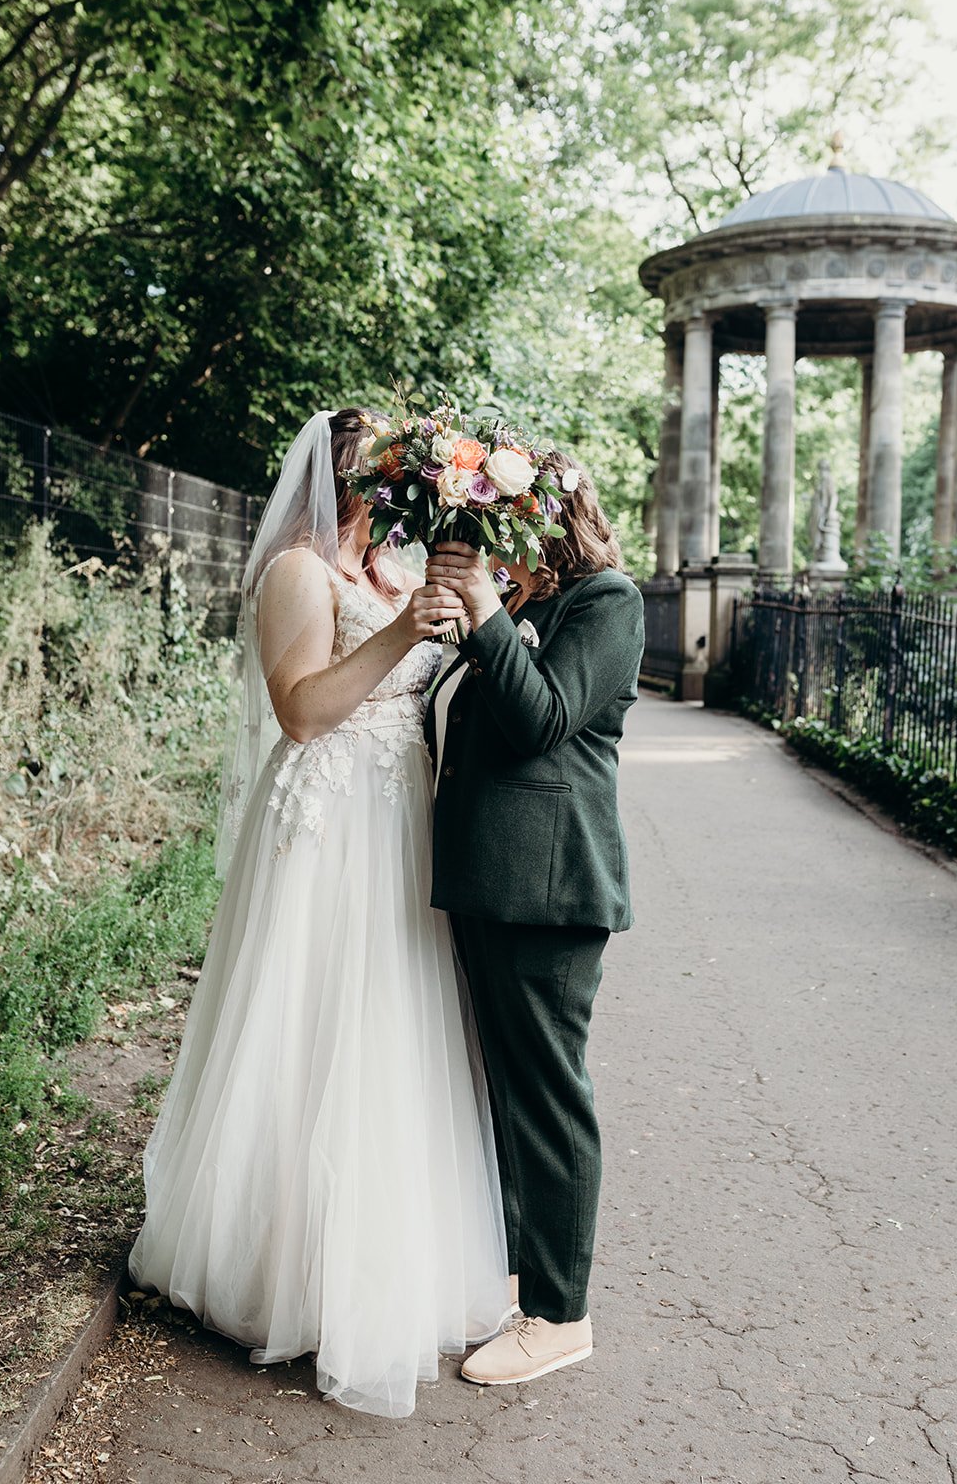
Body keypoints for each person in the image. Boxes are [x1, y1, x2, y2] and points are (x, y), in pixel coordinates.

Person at [128, 408, 510, 1420]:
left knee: (392, 1033)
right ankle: (278, 1269)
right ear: (346, 473)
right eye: (381, 468)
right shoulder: (299, 570)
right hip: (328, 823)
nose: (394, 484)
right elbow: (300, 710)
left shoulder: (393, 563)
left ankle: (387, 1263)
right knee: (313, 1026)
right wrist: (398, 631)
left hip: (396, 820)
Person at [424, 451, 644, 1387]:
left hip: (549, 891)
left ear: (549, 518)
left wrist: (481, 616)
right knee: (502, 1089)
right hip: (487, 883)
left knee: (549, 1097)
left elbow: (540, 720)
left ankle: (561, 1317)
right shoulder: (519, 609)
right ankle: (522, 1278)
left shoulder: (605, 602)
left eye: (500, 521)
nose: (486, 541)